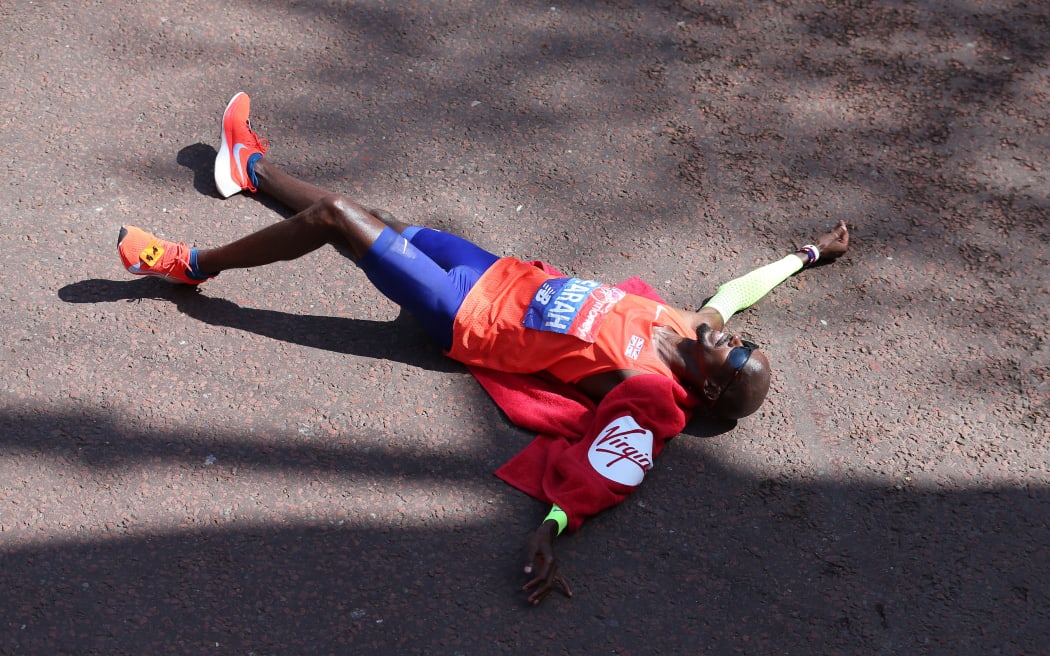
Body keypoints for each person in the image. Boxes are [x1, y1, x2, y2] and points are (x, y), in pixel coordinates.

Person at [117, 92, 850, 605]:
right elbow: (745, 287)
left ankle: (191, 265)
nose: (731, 337)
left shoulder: (655, 392)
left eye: (735, 355)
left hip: (468, 317)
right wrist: (808, 254)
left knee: (342, 220)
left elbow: (611, 467)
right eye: (741, 338)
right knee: (378, 223)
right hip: (497, 271)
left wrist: (552, 530)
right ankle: (245, 169)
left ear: (713, 391)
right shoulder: (696, 323)